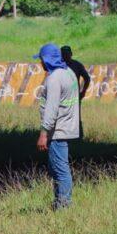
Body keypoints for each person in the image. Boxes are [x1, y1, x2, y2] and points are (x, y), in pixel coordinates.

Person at [35, 43, 80, 210]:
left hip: (58, 131)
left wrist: (43, 133)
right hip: (68, 126)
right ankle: (60, 202)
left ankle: (63, 205)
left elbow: (52, 108)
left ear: (46, 60)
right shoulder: (69, 73)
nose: (40, 64)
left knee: (60, 170)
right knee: (58, 168)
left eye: (41, 60)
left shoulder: (54, 79)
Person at [60, 45, 90, 138]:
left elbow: (87, 78)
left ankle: (77, 137)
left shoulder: (77, 65)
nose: (65, 56)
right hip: (61, 96)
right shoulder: (58, 66)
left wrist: (83, 91)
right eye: (63, 54)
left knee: (75, 117)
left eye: (67, 53)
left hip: (74, 96)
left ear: (71, 54)